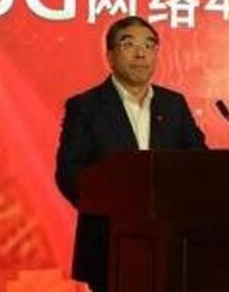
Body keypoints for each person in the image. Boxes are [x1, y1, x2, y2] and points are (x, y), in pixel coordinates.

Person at [55, 16, 206, 292]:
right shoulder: (86, 106)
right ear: (110, 56)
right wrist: (108, 211)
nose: (141, 54)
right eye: (129, 44)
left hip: (170, 242)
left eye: (149, 46)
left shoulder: (173, 105)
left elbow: (199, 163)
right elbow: (69, 172)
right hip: (109, 244)